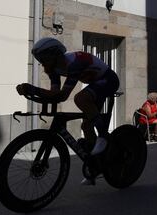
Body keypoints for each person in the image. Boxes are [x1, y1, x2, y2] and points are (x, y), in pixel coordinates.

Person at [16, 38, 120, 184]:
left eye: (44, 59)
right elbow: (54, 94)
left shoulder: (74, 63)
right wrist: (32, 92)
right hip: (96, 82)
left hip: (108, 80)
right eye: (39, 59)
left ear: (56, 55)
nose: (42, 63)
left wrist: (34, 89)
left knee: (80, 98)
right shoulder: (53, 69)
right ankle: (96, 166)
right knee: (86, 126)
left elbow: (63, 96)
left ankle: (103, 136)